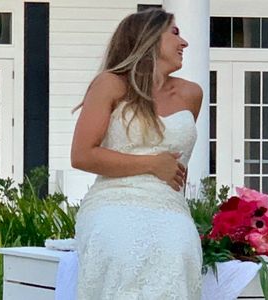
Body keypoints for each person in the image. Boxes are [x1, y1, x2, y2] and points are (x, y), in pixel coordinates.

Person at [71, 8, 203, 299]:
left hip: (167, 205)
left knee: (179, 252)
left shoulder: (192, 94)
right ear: (150, 38)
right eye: (175, 33)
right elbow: (82, 155)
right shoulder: (110, 84)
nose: (185, 43)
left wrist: (168, 178)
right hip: (114, 199)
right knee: (123, 252)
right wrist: (151, 165)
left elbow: (180, 163)